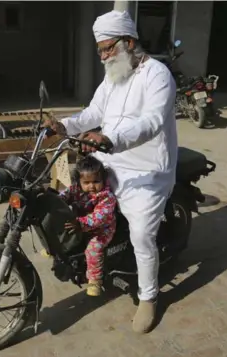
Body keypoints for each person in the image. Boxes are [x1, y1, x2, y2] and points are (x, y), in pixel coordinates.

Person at [43, 10, 178, 333]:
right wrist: (65, 125)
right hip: (111, 160)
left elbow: (152, 122)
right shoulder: (114, 76)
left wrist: (109, 138)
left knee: (142, 234)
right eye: (100, 50)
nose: (103, 56)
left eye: (107, 49)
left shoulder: (158, 75)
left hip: (147, 171)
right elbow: (94, 112)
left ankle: (148, 297)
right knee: (74, 196)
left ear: (129, 42)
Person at [58, 156, 117, 297]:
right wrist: (55, 200)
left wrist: (81, 223)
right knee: (65, 226)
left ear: (103, 180)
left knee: (93, 249)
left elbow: (99, 217)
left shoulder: (106, 197)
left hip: (102, 229)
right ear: (79, 181)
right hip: (81, 224)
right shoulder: (76, 189)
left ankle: (95, 280)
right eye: (86, 182)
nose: (91, 186)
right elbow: (64, 195)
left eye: (96, 181)